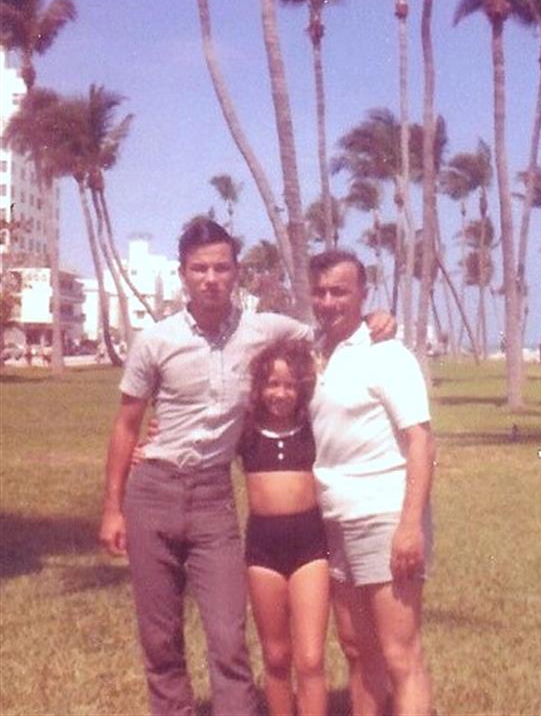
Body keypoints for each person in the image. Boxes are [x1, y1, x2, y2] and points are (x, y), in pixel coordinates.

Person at [99, 219, 395, 716]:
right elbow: (127, 425)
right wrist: (112, 508)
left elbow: (329, 329)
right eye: (199, 269)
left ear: (236, 272)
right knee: (160, 636)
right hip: (153, 490)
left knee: (227, 634)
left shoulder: (265, 330)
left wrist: (376, 318)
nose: (210, 278)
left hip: (214, 498)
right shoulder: (156, 341)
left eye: (221, 267)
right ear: (183, 274)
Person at [308, 249, 435, 716]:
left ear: (362, 293)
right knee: (358, 651)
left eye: (339, 291)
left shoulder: (387, 354)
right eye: (319, 292)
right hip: (336, 520)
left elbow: (420, 441)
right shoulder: (319, 353)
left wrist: (409, 526)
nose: (328, 301)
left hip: (382, 518)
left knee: (401, 655)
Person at [239, 339, 329, 716]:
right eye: (272, 384)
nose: (280, 393)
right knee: (276, 657)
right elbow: (202, 443)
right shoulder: (245, 431)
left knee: (309, 659)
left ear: (302, 388)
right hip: (263, 552)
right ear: (259, 388)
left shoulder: (315, 428)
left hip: (310, 549)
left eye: (290, 385)